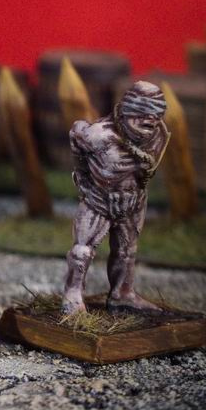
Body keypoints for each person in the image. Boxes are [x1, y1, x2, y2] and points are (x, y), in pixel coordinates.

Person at [62, 80, 170, 314]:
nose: (150, 121)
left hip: (133, 201)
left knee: (127, 251)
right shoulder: (98, 135)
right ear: (128, 111)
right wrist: (83, 177)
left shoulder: (158, 134)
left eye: (156, 114)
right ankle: (72, 295)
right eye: (143, 113)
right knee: (82, 251)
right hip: (99, 200)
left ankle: (122, 294)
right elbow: (76, 133)